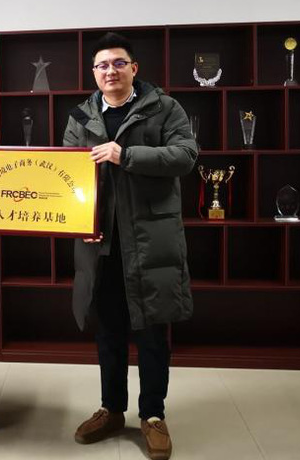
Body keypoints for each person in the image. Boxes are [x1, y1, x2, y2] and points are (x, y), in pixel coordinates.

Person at [63, 33, 197, 460]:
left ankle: (153, 415)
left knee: (153, 332)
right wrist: (73, 215)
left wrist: (127, 155)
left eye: (119, 63)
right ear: (93, 72)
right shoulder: (81, 116)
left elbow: (186, 155)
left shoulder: (164, 107)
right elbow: (68, 174)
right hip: (100, 244)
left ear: (134, 69)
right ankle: (112, 409)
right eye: (102, 65)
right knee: (108, 332)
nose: (111, 71)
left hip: (149, 242)